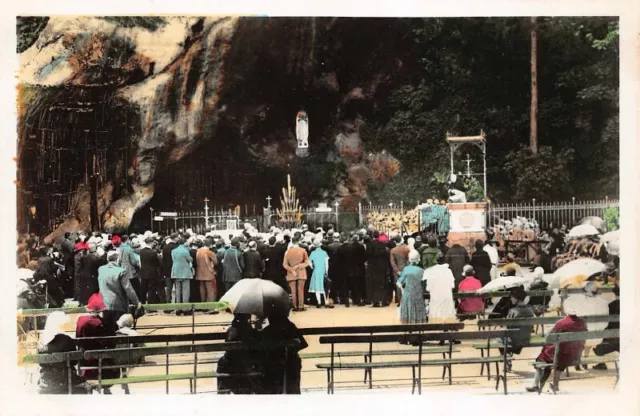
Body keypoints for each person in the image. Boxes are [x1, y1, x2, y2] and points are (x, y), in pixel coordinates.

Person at [526, 312, 587, 392]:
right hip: (575, 355)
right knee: (556, 357)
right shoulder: (583, 322)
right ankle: (554, 384)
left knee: (543, 358)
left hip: (560, 355)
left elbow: (550, 338)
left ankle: (536, 384)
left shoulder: (562, 323)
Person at [76, 293, 120, 394]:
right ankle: (106, 389)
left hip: (85, 365)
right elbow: (112, 343)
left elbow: (78, 338)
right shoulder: (104, 324)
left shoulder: (81, 321)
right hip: (105, 369)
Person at [37, 311, 87, 394]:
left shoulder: (43, 341)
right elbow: (74, 361)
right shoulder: (67, 339)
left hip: (48, 380)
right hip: (67, 378)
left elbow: (41, 363)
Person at [259, 313, 309, 394]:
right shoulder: (291, 327)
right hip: (291, 364)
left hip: (273, 366)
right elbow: (303, 344)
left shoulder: (268, 330)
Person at [217, 314, 262, 394]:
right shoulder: (251, 331)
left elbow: (227, 349)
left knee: (222, 363)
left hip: (231, 369)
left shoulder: (231, 330)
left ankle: (221, 393)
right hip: (247, 371)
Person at [98, 250, 142, 332]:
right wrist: (137, 302)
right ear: (118, 259)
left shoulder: (101, 269)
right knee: (119, 329)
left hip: (104, 304)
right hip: (118, 304)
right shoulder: (121, 271)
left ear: (108, 259)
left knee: (107, 329)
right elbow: (128, 288)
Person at [501, 286, 534, 360]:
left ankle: (507, 356)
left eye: (512, 297)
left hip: (515, 340)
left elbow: (508, 327)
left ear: (517, 298)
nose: (510, 298)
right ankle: (511, 353)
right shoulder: (530, 310)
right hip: (526, 338)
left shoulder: (513, 311)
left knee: (500, 335)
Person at [423, 256, 456, 324]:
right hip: (446, 297)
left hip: (435, 298)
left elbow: (427, 288)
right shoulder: (448, 271)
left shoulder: (430, 271)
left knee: (436, 316)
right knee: (447, 316)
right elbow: (452, 286)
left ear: (436, 261)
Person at [593, 285, 620, 369]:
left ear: (614, 294)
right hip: (625, 337)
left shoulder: (611, 305)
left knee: (599, 344)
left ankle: (601, 363)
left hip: (612, 337)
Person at [397, 251, 427, 324]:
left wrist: (403, 290)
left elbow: (399, 283)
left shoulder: (406, 269)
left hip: (408, 294)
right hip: (418, 295)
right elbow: (424, 284)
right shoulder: (422, 271)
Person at [283, 236, 310, 311]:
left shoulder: (287, 252)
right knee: (301, 290)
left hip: (291, 273)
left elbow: (284, 264)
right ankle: (301, 306)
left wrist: (292, 269)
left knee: (293, 290)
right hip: (301, 272)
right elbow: (307, 262)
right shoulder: (303, 250)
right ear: (298, 241)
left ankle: (295, 306)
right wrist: (298, 266)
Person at [367, 231, 392, 307]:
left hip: (372, 267)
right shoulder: (383, 246)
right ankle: (383, 300)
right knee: (382, 284)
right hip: (382, 268)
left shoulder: (369, 244)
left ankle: (375, 301)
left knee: (373, 284)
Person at [341, 235, 367, 307]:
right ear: (358, 239)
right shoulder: (361, 247)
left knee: (347, 286)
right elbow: (364, 257)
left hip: (347, 269)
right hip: (357, 269)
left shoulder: (348, 247)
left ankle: (347, 301)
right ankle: (357, 301)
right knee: (356, 286)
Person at [171, 237, 194, 312]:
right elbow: (190, 260)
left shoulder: (173, 251)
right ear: (184, 243)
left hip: (176, 271)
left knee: (177, 290)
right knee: (185, 291)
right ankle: (185, 308)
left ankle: (178, 308)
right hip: (185, 272)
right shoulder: (185, 251)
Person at [139, 238, 164, 304]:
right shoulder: (153, 252)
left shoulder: (141, 251)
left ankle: (142, 302)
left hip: (143, 272)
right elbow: (157, 264)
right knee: (151, 290)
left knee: (143, 289)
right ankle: (150, 304)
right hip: (152, 273)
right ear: (151, 242)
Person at [308, 239, 332, 308]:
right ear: (320, 244)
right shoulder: (324, 253)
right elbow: (326, 264)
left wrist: (312, 266)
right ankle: (326, 302)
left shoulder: (313, 253)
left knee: (317, 287)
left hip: (316, 271)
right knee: (324, 287)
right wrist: (326, 271)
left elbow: (308, 261)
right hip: (323, 270)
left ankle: (318, 302)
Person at [196, 238, 218, 302]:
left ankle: (203, 306)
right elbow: (216, 262)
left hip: (200, 273)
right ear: (210, 244)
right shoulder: (209, 252)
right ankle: (210, 307)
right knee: (210, 290)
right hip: (209, 273)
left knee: (202, 290)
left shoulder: (198, 251)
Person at [389, 235, 410, 305]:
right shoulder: (406, 249)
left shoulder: (393, 250)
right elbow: (408, 260)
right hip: (405, 268)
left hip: (397, 270)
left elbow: (392, 262)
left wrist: (397, 270)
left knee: (398, 285)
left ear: (395, 241)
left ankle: (400, 300)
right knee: (406, 284)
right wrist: (406, 267)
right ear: (401, 240)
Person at [161, 233, 179, 305]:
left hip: (167, 270)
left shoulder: (165, 247)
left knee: (168, 289)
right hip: (176, 270)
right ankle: (178, 304)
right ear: (175, 238)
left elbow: (163, 260)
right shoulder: (177, 247)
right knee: (178, 288)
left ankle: (168, 305)